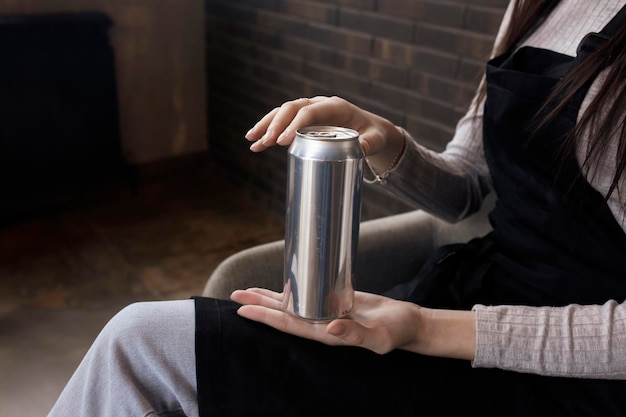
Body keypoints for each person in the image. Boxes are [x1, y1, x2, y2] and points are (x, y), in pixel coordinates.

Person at [47, 0, 626, 416]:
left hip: (562, 372)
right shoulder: (534, 5)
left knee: (141, 342)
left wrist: (426, 329)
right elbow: (468, 187)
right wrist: (384, 139)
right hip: (467, 296)